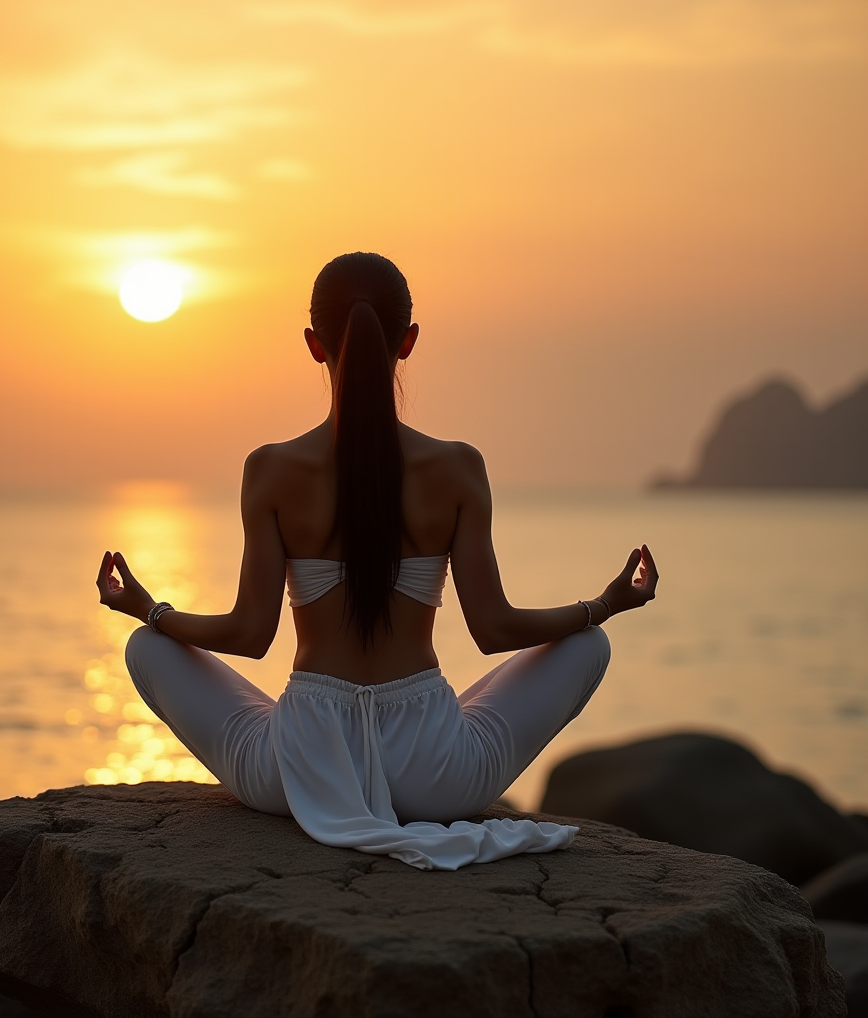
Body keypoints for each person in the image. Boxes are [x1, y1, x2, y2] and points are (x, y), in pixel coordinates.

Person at [96, 251, 658, 870]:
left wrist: (149, 609)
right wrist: (605, 604)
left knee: (145, 646)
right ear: (408, 341)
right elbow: (495, 629)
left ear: (314, 345)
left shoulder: (272, 470)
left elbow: (249, 636)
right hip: (439, 777)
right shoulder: (457, 469)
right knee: (590, 642)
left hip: (298, 773)